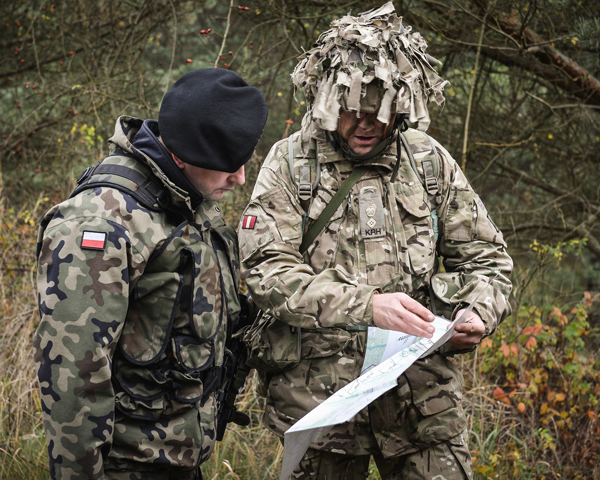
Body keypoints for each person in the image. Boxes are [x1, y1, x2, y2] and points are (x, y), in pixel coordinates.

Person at [238, 3, 512, 480]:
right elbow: (267, 270)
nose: (365, 124)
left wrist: (478, 313)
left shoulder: (427, 161)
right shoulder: (290, 165)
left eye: (379, 112)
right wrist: (368, 306)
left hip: (422, 405)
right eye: (351, 110)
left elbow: (488, 259)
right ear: (326, 100)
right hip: (321, 407)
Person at [33, 68, 268, 480]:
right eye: (226, 165)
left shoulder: (185, 199)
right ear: (179, 155)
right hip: (126, 466)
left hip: (177, 459)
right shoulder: (101, 223)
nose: (240, 178)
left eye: (242, 161)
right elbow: (73, 377)